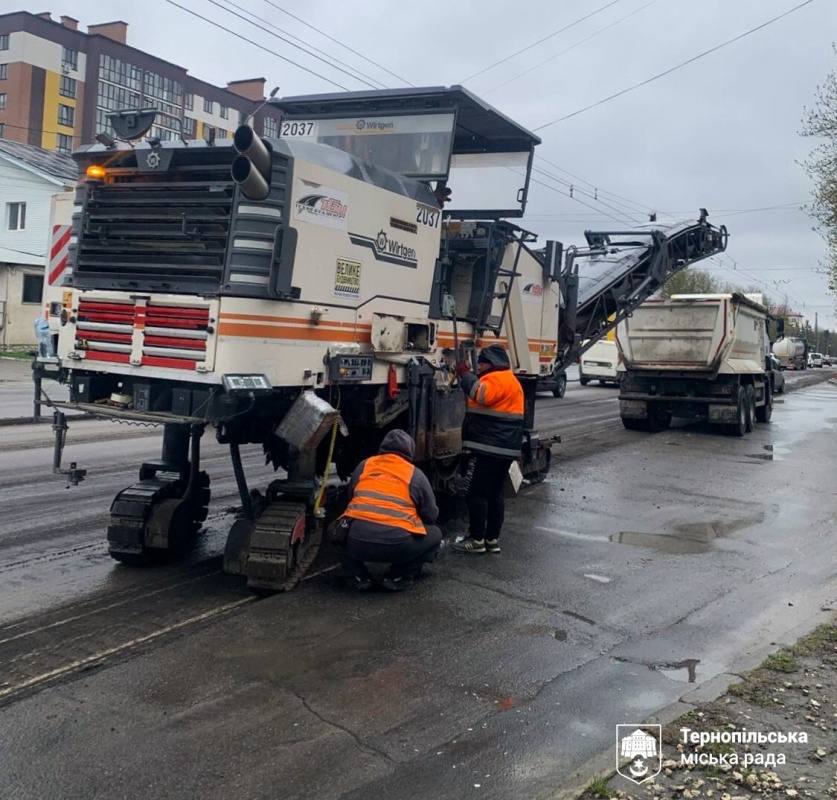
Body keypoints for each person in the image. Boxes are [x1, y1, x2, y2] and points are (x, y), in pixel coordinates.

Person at [341, 429, 443, 590]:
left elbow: (350, 496)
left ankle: (356, 575)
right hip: (397, 546)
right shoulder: (415, 474)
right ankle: (398, 576)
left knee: (337, 529)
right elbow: (431, 514)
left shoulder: (364, 465)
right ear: (409, 451)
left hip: (357, 541)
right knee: (435, 534)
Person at [453, 345, 524, 554]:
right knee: (494, 494)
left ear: (491, 363)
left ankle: (476, 540)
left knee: (475, 493)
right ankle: (491, 539)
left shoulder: (497, 379)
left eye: (482, 363)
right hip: (503, 448)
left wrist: (465, 375)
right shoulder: (510, 379)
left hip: (489, 447)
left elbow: (481, 395)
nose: (480, 367)